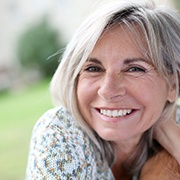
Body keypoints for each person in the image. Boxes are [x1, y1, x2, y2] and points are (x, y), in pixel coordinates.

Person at [26, 0, 180, 179]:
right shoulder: (60, 134)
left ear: (173, 84)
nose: (107, 90)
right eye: (93, 68)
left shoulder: (175, 120)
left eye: (134, 69)